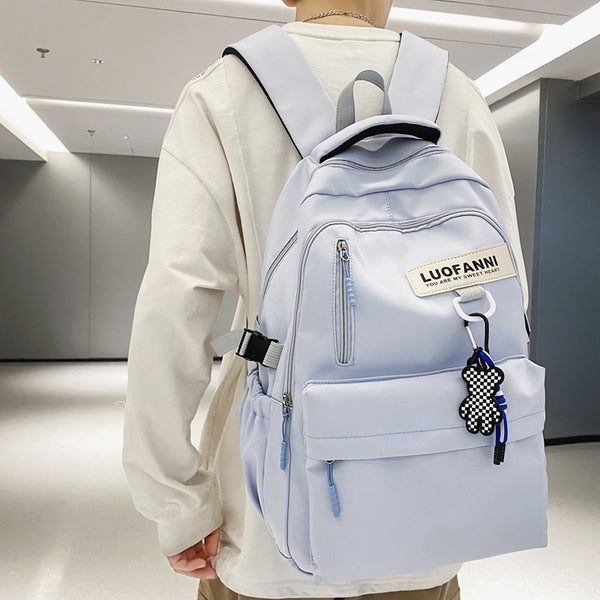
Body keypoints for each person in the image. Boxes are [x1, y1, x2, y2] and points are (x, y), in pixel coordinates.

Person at [123, 2, 528, 600]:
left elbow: (173, 307)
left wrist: (177, 501)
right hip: (427, 510)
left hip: (268, 519)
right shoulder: (455, 94)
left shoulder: (224, 93)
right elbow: (506, 300)